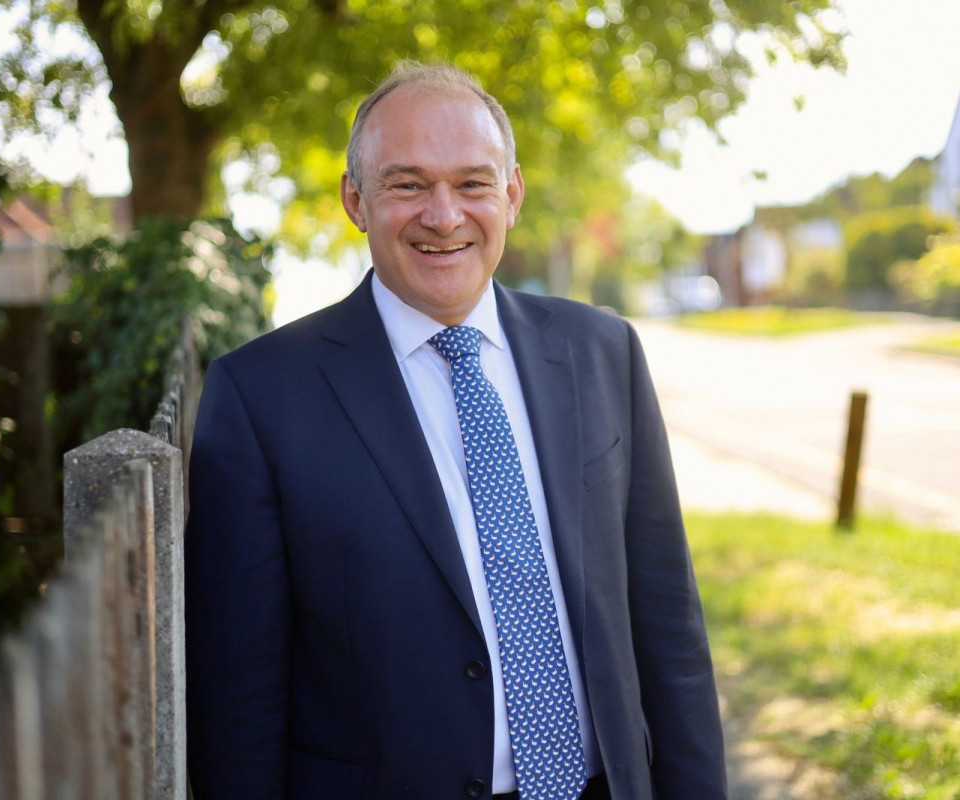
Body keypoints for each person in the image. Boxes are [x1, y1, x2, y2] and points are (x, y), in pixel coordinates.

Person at [185, 61, 727, 800]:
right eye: (408, 184)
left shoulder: (603, 352)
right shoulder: (259, 395)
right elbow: (237, 694)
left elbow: (670, 631)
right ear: (356, 200)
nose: (444, 216)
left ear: (512, 194)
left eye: (472, 183)